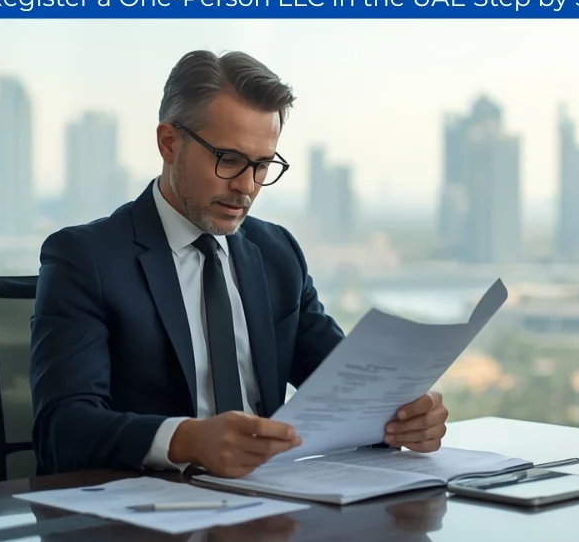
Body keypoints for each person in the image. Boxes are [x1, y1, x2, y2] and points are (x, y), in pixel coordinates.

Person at [29, 49, 450, 478]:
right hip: (145, 513)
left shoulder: (277, 253)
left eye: (263, 165)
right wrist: (187, 440)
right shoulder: (86, 259)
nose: (246, 187)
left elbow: (346, 394)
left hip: (273, 503)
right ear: (169, 143)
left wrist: (404, 418)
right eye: (228, 160)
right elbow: (62, 429)